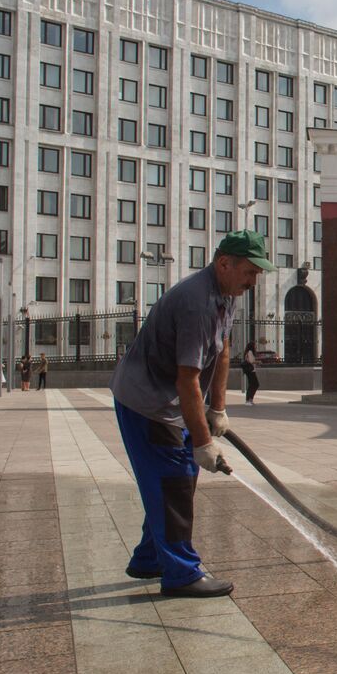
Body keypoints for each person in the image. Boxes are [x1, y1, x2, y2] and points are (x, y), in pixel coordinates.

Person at [110, 229, 272, 597]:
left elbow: (224, 349)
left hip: (169, 397)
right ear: (224, 263)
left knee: (179, 480)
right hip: (148, 401)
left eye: (258, 273)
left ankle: (150, 558)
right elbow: (187, 378)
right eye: (250, 271)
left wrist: (218, 409)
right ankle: (181, 573)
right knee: (175, 480)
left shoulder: (226, 294)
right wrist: (202, 442)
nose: (254, 280)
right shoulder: (196, 302)